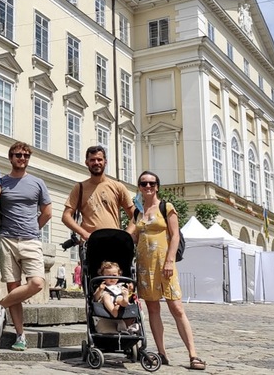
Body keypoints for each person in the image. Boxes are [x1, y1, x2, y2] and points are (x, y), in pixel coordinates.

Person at [126, 171, 206, 370]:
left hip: (164, 265)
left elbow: (175, 235)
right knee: (153, 309)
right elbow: (133, 236)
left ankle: (193, 354)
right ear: (139, 187)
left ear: (157, 186)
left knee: (177, 308)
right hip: (145, 267)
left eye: (152, 183)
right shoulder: (138, 211)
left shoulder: (166, 207)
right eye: (144, 183)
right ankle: (162, 353)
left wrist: (170, 261)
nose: (148, 186)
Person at [0, 141, 51, 351]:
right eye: (18, 155)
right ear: (11, 157)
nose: (22, 158)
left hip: (30, 239)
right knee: (13, 288)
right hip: (7, 239)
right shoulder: (2, 182)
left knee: (37, 282)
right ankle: (20, 335)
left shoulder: (37, 183)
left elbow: (47, 211)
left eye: (26, 155)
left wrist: (34, 228)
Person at [61, 146, 135, 243]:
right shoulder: (79, 188)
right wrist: (84, 234)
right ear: (87, 162)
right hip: (90, 243)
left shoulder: (117, 187)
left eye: (99, 159)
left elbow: (135, 216)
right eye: (92, 160)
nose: (96, 163)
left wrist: (126, 235)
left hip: (113, 242)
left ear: (105, 162)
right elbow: (66, 216)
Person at [92, 261, 137, 334]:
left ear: (119, 275)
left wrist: (129, 290)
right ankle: (113, 310)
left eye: (114, 275)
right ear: (103, 276)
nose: (111, 278)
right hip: (107, 300)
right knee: (106, 296)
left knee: (122, 296)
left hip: (118, 300)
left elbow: (130, 297)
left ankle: (124, 301)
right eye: (108, 276)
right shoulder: (103, 286)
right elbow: (95, 298)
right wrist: (100, 290)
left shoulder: (121, 286)